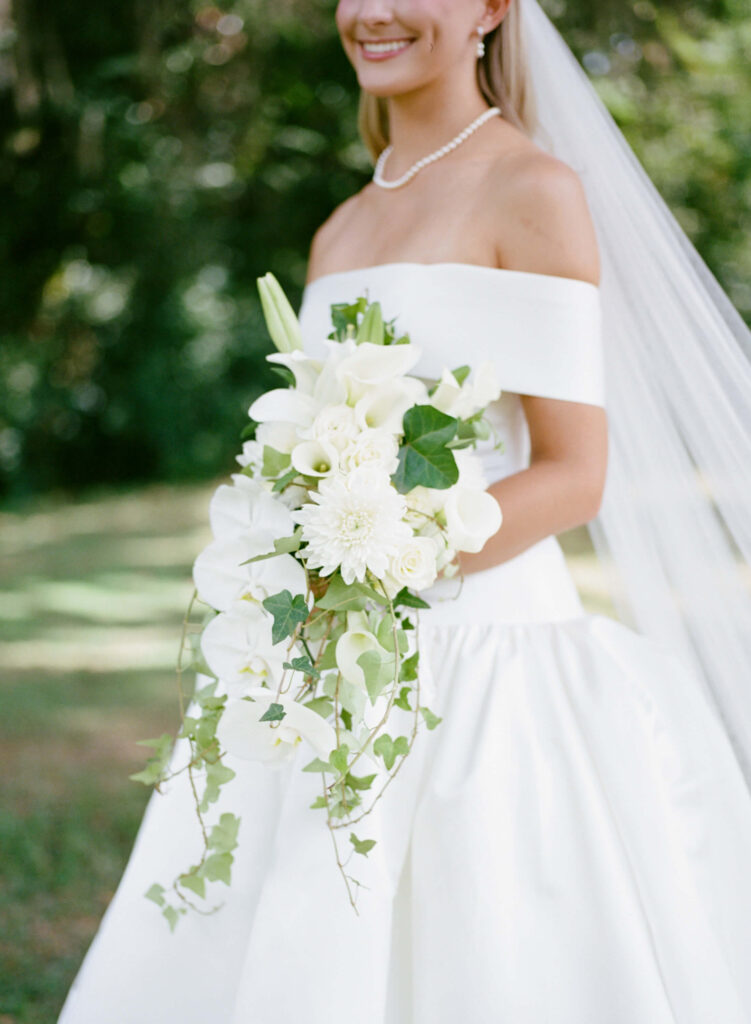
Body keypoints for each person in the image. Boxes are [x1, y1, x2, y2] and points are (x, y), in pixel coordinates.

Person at [58, 1, 751, 1022]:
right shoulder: (340, 228)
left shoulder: (534, 191)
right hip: (329, 664)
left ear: (488, 9)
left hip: (484, 665)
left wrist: (385, 560)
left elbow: (572, 473)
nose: (372, 12)